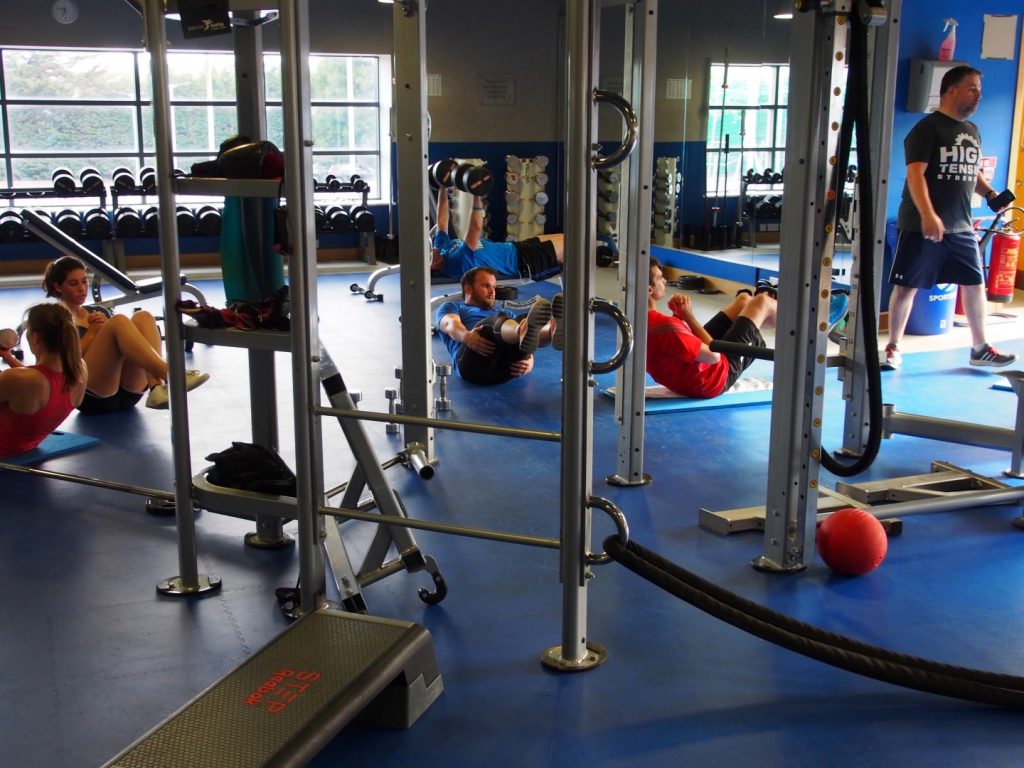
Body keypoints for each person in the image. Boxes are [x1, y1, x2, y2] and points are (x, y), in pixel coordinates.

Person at [884, 64, 1016, 370]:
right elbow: (915, 175)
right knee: (907, 287)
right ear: (951, 90)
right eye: (972, 89)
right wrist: (928, 214)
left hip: (960, 225)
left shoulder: (972, 131)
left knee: (974, 284)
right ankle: (893, 347)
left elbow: (973, 170)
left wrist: (991, 195)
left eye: (980, 91)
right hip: (922, 225)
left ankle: (980, 348)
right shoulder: (927, 129)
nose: (978, 96)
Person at [42, 256, 209, 412]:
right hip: (89, 396)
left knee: (143, 317)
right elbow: (63, 364)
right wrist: (92, 333)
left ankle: (156, 387)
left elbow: (122, 349)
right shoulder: (56, 318)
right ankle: (172, 374)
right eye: (73, 284)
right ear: (58, 287)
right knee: (119, 320)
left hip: (128, 392)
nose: (81, 288)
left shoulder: (98, 311)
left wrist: (106, 330)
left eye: (84, 281)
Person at [645, 259, 778, 398]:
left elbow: (671, 346)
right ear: (649, 290)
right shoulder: (666, 326)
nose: (665, 281)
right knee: (762, 302)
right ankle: (796, 322)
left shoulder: (642, 321)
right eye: (660, 278)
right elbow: (715, 357)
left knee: (743, 299)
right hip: (714, 380)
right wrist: (688, 316)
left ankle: (773, 306)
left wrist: (679, 317)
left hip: (690, 377)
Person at [436, 266, 559, 386]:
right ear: (468, 289)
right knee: (493, 324)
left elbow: (528, 337)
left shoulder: (507, 315)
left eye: (494, 287)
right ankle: (524, 331)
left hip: (506, 370)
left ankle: (552, 331)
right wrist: (466, 336)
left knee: (524, 319)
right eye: (486, 286)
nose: (492, 292)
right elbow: (450, 324)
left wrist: (529, 359)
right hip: (472, 367)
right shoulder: (452, 307)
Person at [0, 303, 87, 457]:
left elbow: (26, 380)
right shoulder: (80, 369)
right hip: (27, 447)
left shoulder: (21, 380)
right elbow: (39, 378)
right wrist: (7, 356)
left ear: (34, 337)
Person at [430, 185, 564, 281]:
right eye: (428, 252)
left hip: (518, 247)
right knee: (575, 246)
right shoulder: (455, 263)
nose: (431, 248)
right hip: (525, 262)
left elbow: (442, 219)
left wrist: (443, 186)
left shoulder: (440, 248)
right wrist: (477, 195)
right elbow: (475, 228)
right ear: (431, 264)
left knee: (569, 239)